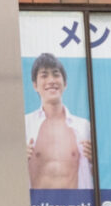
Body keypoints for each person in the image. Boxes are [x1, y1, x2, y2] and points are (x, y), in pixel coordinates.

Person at [24, 53, 93, 195]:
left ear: (65, 83)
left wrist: (95, 161)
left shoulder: (83, 127)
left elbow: (101, 173)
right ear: (35, 85)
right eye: (44, 75)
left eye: (56, 75)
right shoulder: (24, 125)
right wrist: (17, 159)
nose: (51, 81)